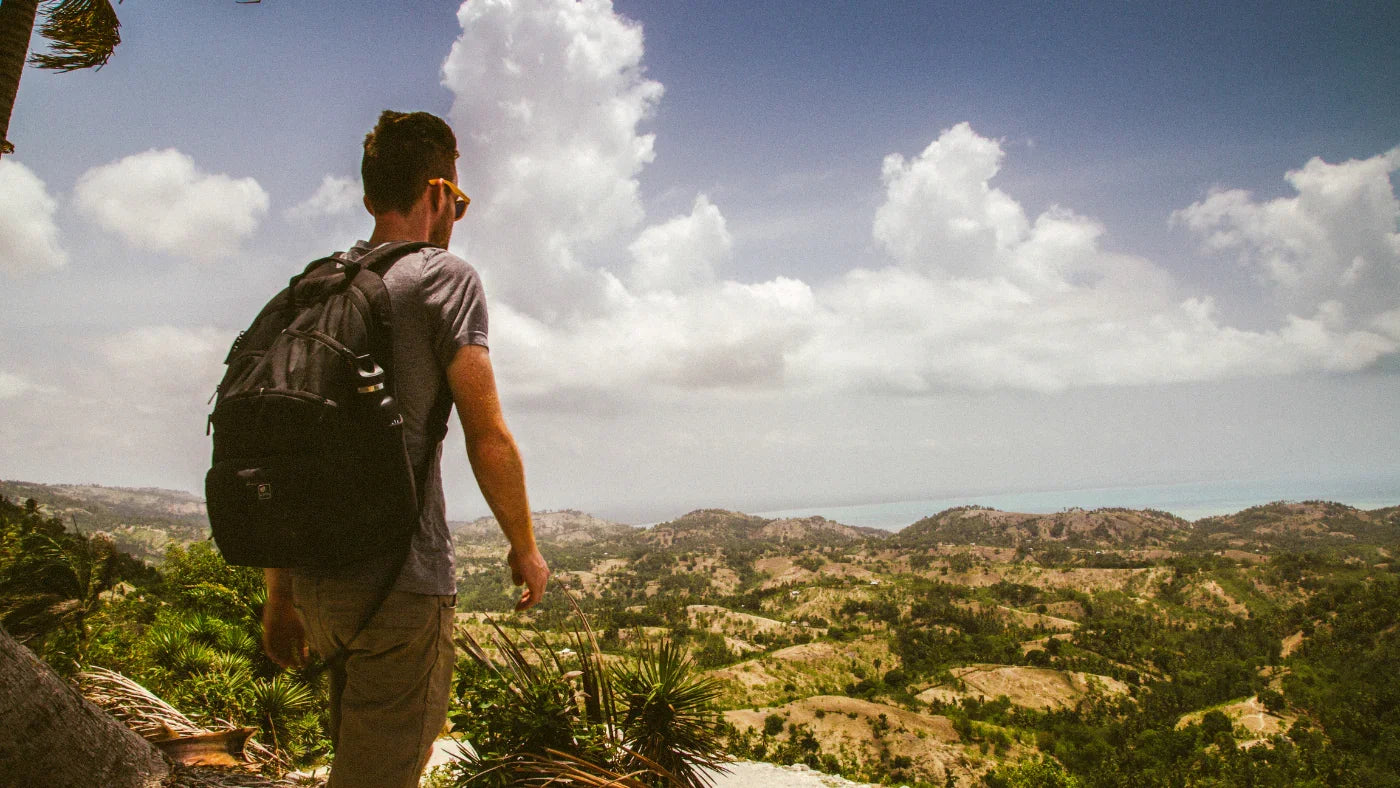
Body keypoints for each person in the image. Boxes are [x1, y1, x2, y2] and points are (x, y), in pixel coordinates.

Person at [259, 110, 550, 788]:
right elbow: (487, 433)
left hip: (317, 584)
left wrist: (280, 594)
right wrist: (525, 548)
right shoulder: (444, 277)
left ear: (369, 197)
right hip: (402, 584)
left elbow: (281, 443)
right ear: (439, 192)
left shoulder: (312, 287)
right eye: (459, 198)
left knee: (356, 768)